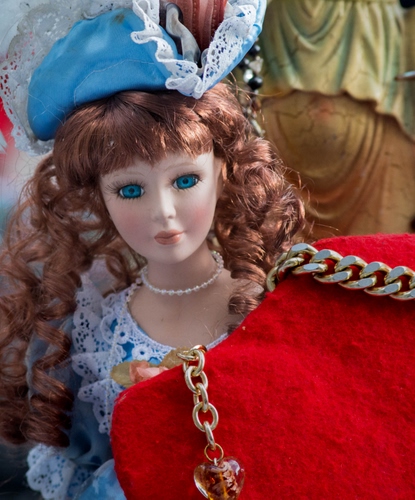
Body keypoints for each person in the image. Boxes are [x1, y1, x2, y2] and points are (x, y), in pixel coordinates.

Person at [0, 1, 303, 498]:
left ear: (222, 172)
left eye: (185, 181)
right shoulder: (96, 335)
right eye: (130, 190)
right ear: (98, 196)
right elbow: (88, 469)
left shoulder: (264, 304)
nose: (163, 213)